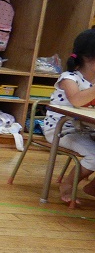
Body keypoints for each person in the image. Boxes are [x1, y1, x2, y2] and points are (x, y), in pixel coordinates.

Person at [42, 28, 95, 204]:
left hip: (86, 129)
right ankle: (68, 184)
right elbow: (77, 101)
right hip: (60, 130)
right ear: (88, 58)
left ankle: (92, 187)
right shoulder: (69, 78)